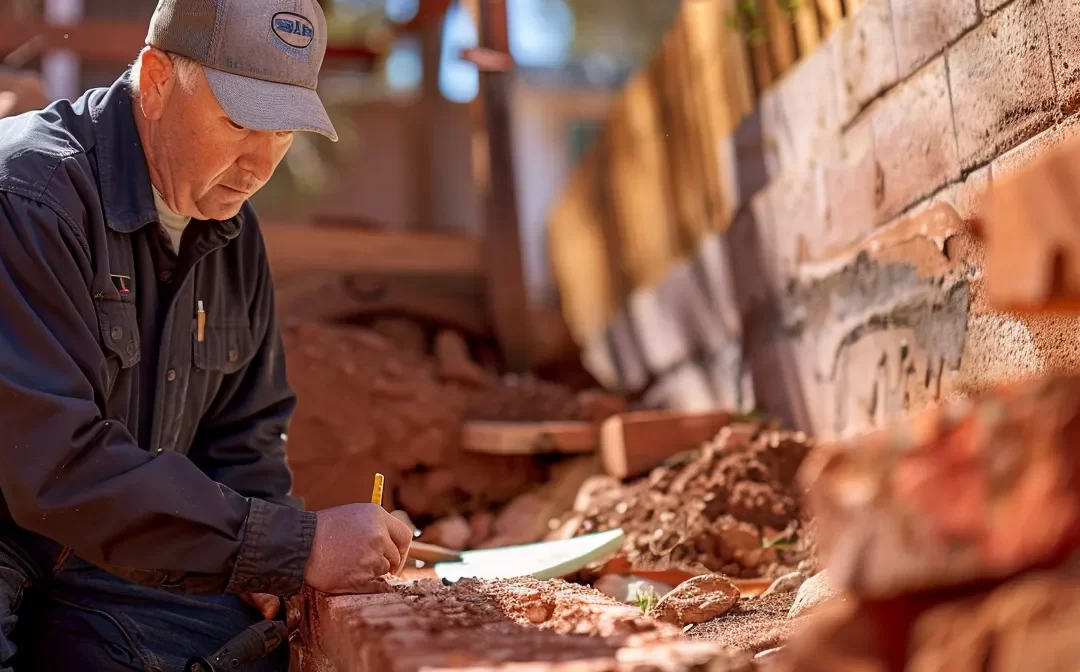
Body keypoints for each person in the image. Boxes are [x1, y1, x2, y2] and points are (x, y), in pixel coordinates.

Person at [0, 0, 412, 669]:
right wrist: (293, 545)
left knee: (258, 645)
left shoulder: (231, 233)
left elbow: (246, 431)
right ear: (158, 78)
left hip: (101, 553)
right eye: (242, 123)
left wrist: (266, 562)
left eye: (284, 133)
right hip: (13, 529)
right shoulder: (28, 197)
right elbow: (52, 465)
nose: (259, 165)